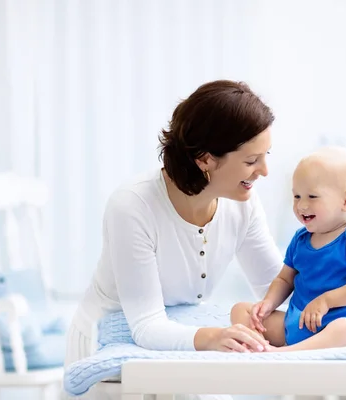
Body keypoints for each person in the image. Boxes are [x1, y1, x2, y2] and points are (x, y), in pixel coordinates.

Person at [63, 80, 281, 399]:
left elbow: (275, 288)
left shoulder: (243, 203)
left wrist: (340, 248)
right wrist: (214, 338)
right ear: (205, 158)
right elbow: (148, 326)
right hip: (110, 345)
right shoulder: (133, 206)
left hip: (178, 341)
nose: (264, 171)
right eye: (251, 161)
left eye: (266, 156)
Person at [230, 146, 346, 351]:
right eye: (297, 196)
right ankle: (259, 346)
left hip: (332, 327)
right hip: (295, 325)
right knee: (241, 311)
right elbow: (285, 279)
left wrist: (326, 301)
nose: (301, 205)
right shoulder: (301, 239)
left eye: (312, 197)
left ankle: (283, 353)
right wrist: (268, 304)